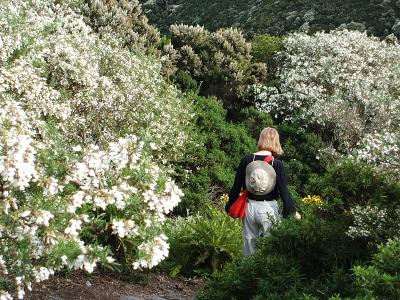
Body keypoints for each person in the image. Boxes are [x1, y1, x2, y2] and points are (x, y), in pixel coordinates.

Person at [225, 127, 301, 256]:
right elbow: (284, 191)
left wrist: (229, 206)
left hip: (249, 208)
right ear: (276, 142)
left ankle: (247, 273)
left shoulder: (246, 159)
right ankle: (266, 272)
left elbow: (236, 187)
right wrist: (292, 211)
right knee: (271, 246)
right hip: (268, 208)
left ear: (261, 139)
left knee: (249, 244)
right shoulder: (277, 164)